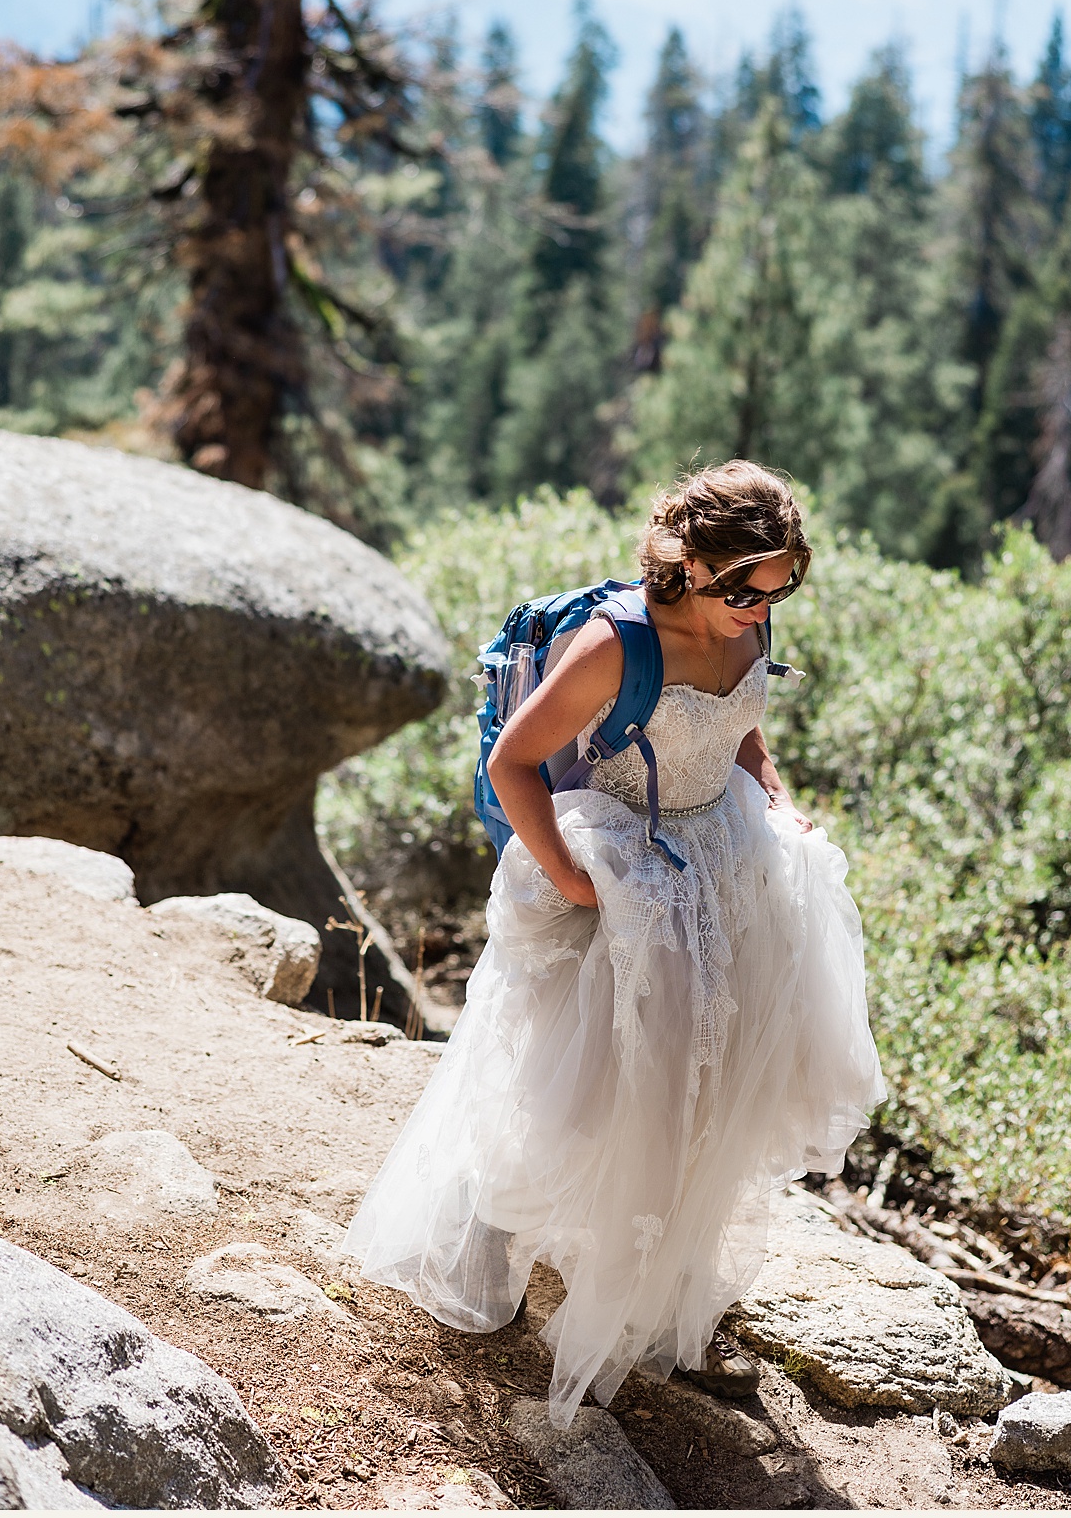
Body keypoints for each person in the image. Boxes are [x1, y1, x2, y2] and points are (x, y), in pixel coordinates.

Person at [341, 461, 885, 1426]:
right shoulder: (615, 642)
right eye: (742, 587)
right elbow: (515, 760)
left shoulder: (747, 618)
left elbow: (742, 722)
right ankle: (486, 1228)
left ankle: (643, 1275)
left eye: (781, 585)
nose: (760, 608)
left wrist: (773, 790)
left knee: (696, 1082)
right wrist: (569, 876)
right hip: (625, 868)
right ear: (687, 561)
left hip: (719, 858)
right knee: (576, 1081)